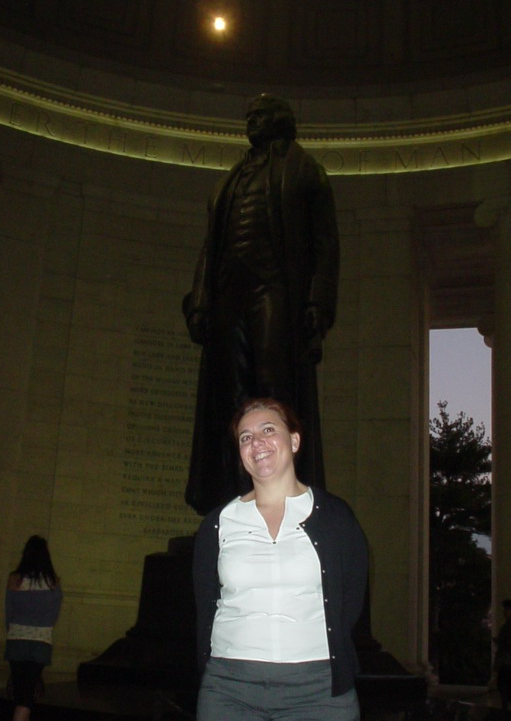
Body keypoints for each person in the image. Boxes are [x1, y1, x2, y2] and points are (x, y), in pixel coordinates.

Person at [183, 94, 339, 515]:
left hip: (276, 290)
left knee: (274, 390)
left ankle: (280, 491)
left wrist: (317, 303)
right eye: (249, 115)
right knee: (231, 395)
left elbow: (325, 245)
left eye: (261, 115)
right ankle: (234, 495)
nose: (251, 120)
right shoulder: (230, 180)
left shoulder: (305, 171)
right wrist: (199, 301)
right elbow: (209, 248)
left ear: (282, 121)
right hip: (229, 294)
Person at [193, 397, 368, 721]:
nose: (257, 442)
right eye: (245, 437)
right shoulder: (219, 523)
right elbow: (206, 600)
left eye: (268, 430)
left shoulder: (335, 517)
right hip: (229, 690)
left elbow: (352, 596)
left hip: (319, 690)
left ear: (295, 440)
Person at [4, 535, 62, 721]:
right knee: (28, 694)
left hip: (17, 639)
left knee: (20, 692)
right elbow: (53, 617)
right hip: (40, 641)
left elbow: (9, 612)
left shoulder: (15, 579)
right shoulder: (53, 582)